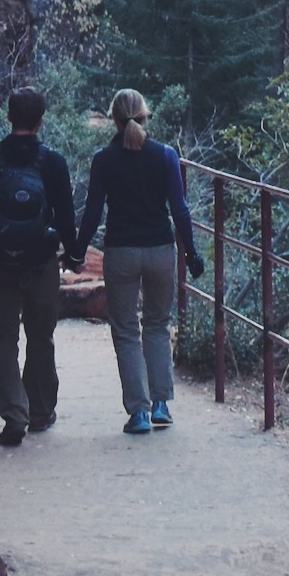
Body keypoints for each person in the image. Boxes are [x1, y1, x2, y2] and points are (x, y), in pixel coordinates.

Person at [0, 88, 81, 448]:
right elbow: (66, 216)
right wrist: (71, 254)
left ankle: (14, 413)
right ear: (41, 120)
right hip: (41, 260)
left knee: (3, 339)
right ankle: (40, 410)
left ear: (8, 116)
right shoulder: (52, 163)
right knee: (41, 335)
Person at [80, 88, 200, 438]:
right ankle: (161, 404)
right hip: (161, 250)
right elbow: (179, 209)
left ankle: (139, 412)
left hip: (121, 253)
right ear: (146, 115)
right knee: (158, 325)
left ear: (114, 120)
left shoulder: (104, 160)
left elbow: (92, 211)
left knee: (126, 331)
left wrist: (76, 249)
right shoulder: (165, 156)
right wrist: (191, 253)